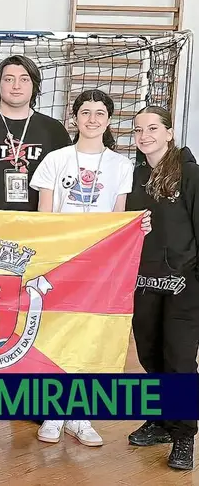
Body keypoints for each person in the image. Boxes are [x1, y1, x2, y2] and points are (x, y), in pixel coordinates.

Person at [30, 89, 149, 447]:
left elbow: (117, 220)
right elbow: (44, 218)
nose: (92, 119)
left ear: (109, 120)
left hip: (100, 267)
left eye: (100, 113)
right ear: (75, 118)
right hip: (61, 264)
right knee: (55, 335)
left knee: (90, 337)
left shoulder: (121, 165)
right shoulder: (56, 159)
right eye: (85, 112)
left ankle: (80, 415)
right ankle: (53, 410)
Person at [125, 105, 198, 471]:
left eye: (153, 128)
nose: (145, 135)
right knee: (150, 356)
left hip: (185, 287)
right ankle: (161, 422)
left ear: (169, 132)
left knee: (180, 362)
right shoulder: (136, 177)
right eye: (138, 130)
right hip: (145, 284)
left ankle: (184, 433)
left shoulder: (190, 174)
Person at [0, 55, 71, 211]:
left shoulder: (54, 130)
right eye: (8, 79)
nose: (16, 86)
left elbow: (65, 181)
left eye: (24, 79)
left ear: (34, 85)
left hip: (36, 223)